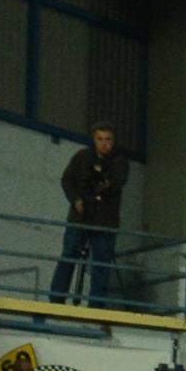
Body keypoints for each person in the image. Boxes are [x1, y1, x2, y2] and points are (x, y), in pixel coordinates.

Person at [52, 124, 127, 304]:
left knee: (101, 261)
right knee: (69, 254)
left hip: (105, 221)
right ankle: (56, 298)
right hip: (80, 217)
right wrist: (76, 199)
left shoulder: (120, 161)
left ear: (113, 141)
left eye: (108, 140)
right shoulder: (82, 157)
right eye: (100, 139)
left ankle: (96, 304)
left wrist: (104, 184)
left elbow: (118, 181)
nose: (104, 144)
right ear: (94, 140)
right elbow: (66, 180)